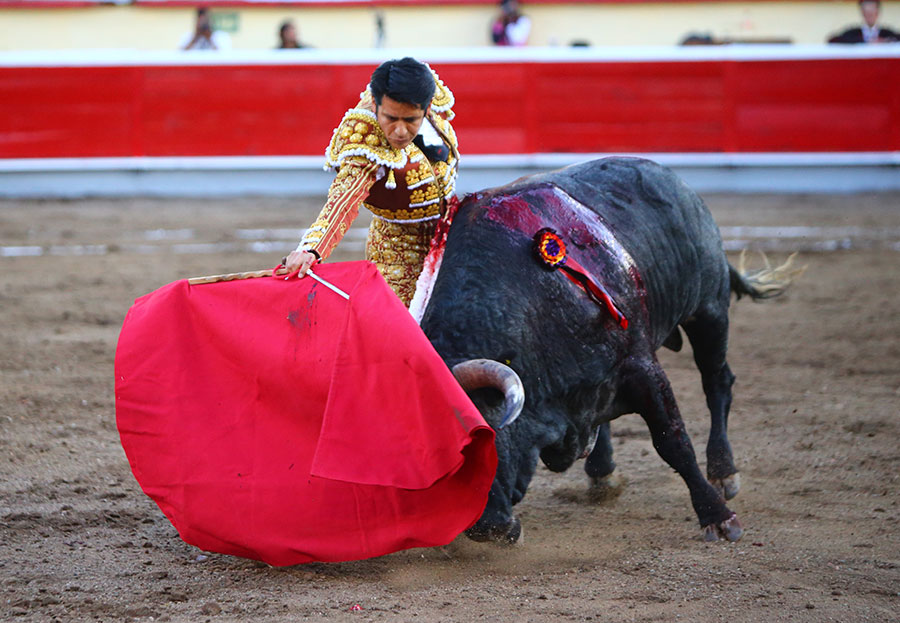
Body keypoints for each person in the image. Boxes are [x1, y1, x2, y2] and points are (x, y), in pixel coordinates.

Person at [283, 58, 459, 307]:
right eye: (390, 118)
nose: (399, 131)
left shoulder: (424, 97)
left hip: (448, 240)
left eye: (410, 120)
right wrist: (311, 249)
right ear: (376, 106)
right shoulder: (365, 138)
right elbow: (343, 200)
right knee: (403, 330)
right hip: (397, 253)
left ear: (427, 107)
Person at [828, 0, 899, 43]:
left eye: (871, 13)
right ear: (862, 13)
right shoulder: (854, 33)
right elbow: (833, 40)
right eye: (866, 13)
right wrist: (866, 41)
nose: (869, 17)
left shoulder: (886, 33)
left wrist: (885, 41)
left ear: (877, 13)